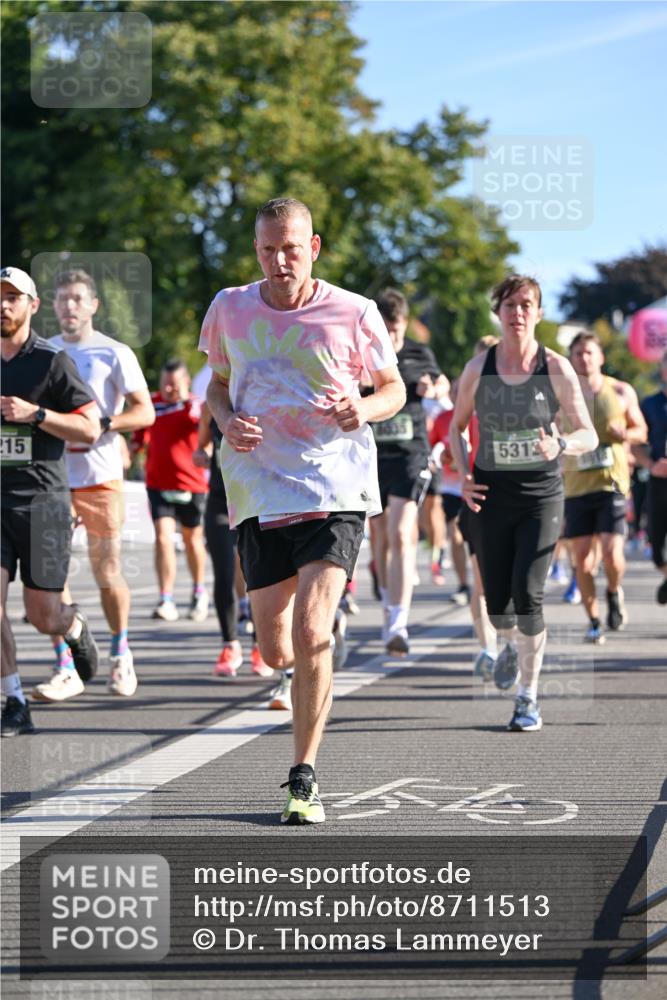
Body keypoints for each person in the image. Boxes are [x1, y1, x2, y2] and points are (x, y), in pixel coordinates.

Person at [201, 197, 405, 824]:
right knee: (276, 646)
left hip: (333, 488)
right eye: (267, 250)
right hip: (259, 491)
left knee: (312, 633)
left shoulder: (354, 311)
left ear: (313, 246)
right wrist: (227, 419)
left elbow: (391, 390)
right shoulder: (229, 308)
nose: (279, 261)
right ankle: (309, 644)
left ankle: (303, 777)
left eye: (291, 248)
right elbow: (214, 382)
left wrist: (362, 410)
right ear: (256, 249)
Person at [450, 275, 597, 732]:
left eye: (526, 305)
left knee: (528, 595)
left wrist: (561, 443)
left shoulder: (555, 368)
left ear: (539, 313)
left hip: (540, 497)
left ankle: (527, 698)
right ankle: (508, 644)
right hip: (492, 497)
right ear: (499, 312)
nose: (517, 313)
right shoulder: (478, 368)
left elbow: (587, 433)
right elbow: (456, 427)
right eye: (510, 305)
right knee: (497, 604)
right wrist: (463, 477)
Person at [31, 269, 154, 703]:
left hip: (101, 476)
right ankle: (67, 665)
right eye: (62, 299)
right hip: (53, 477)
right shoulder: (43, 353)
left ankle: (121, 653)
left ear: (93, 305)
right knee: (50, 576)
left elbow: (145, 413)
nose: (69, 307)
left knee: (106, 573)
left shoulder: (114, 352)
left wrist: (104, 423)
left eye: (78, 299)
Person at [1, 266, 101, 736]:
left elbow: (90, 427)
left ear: (32, 305)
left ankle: (74, 626)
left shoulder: (51, 361)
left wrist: (35, 414)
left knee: (44, 615)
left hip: (42, 502)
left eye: (12, 298)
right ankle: (15, 699)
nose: (3, 305)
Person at [369, 288, 450, 654]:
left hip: (410, 453)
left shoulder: (419, 352)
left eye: (397, 333)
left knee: (402, 533)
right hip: (371, 455)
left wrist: (433, 386)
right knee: (381, 537)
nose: (392, 341)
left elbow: (442, 381)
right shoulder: (362, 351)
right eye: (386, 333)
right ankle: (389, 606)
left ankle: (399, 622)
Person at [563, 331, 647, 643]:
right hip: (575, 486)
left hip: (612, 482)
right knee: (582, 560)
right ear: (571, 359)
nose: (583, 358)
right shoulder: (562, 394)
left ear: (600, 357)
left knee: (612, 555)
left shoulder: (621, 391)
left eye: (589, 352)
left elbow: (641, 430)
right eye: (578, 354)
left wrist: (626, 432)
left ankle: (613, 591)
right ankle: (594, 619)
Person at [193, 404, 274, 679]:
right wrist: (200, 453)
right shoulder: (211, 406)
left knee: (256, 572)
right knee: (224, 571)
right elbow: (202, 444)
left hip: (255, 498)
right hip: (220, 499)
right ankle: (230, 645)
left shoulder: (260, 398)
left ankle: (260, 647)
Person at [132, 360, 210, 622]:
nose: (168, 389)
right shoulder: (152, 404)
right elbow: (139, 434)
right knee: (163, 537)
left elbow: (208, 431)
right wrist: (132, 449)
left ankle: (199, 591)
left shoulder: (195, 406)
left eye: (174, 384)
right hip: (158, 482)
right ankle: (166, 598)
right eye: (165, 383)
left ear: (186, 382)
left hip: (192, 483)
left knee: (192, 539)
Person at [634, 349, 667, 604]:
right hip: (658, 482)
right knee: (657, 551)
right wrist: (650, 464)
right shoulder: (650, 404)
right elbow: (636, 443)